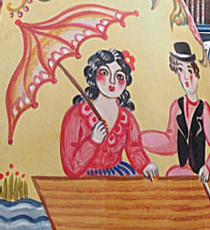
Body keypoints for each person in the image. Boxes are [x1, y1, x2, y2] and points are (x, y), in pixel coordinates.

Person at [60, 49, 159, 179]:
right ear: (93, 75)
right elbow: (71, 167)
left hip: (118, 175)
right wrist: (93, 141)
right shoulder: (76, 115)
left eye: (119, 76)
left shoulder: (127, 119)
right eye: (105, 73)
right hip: (86, 179)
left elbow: (135, 149)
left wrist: (145, 166)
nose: (112, 81)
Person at [142, 43, 210, 181]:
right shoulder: (177, 107)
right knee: (172, 174)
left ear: (198, 74)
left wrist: (208, 168)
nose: (186, 77)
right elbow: (171, 141)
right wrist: (140, 139)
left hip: (200, 174)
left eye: (190, 71)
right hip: (182, 171)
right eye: (180, 70)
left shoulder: (204, 108)